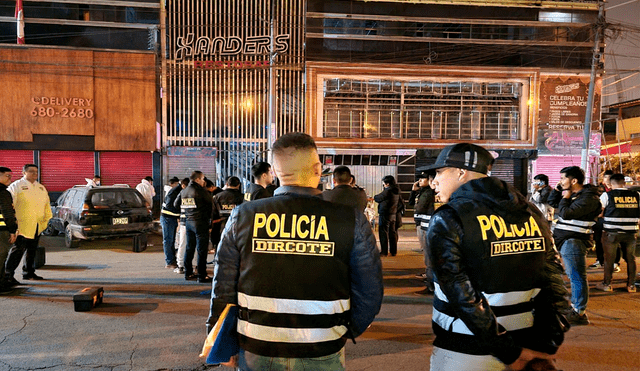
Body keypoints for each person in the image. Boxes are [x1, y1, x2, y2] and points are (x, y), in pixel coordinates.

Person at [207, 132, 383, 370]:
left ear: (276, 173)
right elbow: (369, 290)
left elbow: (224, 286)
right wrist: (343, 331)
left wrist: (220, 340)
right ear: (318, 169)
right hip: (322, 347)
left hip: (257, 347)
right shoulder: (349, 219)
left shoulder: (244, 216)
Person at [425, 143, 571, 371]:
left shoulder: (448, 217)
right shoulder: (530, 212)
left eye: (439, 172)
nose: (434, 181)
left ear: (461, 172)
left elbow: (459, 292)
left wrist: (509, 351)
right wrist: (547, 343)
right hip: (528, 346)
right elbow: (554, 279)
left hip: (465, 350)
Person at [547, 166, 601, 326]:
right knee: (573, 276)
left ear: (574, 181)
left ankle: (579, 311)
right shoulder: (579, 195)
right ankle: (575, 309)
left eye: (563, 178)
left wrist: (567, 194)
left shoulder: (589, 198)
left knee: (577, 277)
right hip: (566, 240)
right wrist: (558, 190)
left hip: (574, 241)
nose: (561, 181)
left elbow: (566, 213)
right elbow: (552, 202)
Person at [4, 164, 52, 282]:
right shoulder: (16, 186)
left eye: (36, 172)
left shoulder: (41, 188)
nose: (35, 174)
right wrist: (13, 224)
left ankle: (29, 272)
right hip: (22, 226)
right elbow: (9, 206)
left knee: (32, 250)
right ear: (24, 173)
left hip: (36, 225)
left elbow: (47, 205)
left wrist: (45, 220)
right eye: (31, 171)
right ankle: (8, 275)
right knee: (18, 251)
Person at [597, 173, 638, 293]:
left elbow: (599, 213)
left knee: (609, 259)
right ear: (624, 183)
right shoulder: (636, 195)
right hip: (631, 232)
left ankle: (607, 284)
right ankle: (631, 286)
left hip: (611, 232)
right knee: (631, 259)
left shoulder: (607, 195)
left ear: (610, 183)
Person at [175, 171, 213, 283]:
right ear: (197, 179)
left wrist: (188, 210)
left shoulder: (184, 191)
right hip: (200, 222)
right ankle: (202, 275)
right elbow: (211, 206)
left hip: (188, 222)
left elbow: (176, 204)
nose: (204, 181)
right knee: (202, 250)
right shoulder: (201, 191)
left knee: (189, 248)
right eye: (202, 179)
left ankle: (188, 273)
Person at [408, 170, 436, 293]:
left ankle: (430, 283)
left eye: (422, 179)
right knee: (427, 252)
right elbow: (410, 204)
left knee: (429, 253)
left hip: (426, 224)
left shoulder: (428, 192)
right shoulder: (422, 192)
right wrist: (414, 192)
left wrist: (417, 197)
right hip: (421, 223)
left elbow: (419, 207)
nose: (419, 181)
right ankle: (428, 277)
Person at [591, 170, 621, 270]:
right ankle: (600, 260)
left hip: (613, 220)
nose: (607, 180)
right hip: (600, 220)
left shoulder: (617, 191)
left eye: (609, 178)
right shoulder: (598, 190)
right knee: (599, 240)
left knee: (614, 241)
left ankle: (615, 262)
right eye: (605, 178)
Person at [211, 176, 244, 251]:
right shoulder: (243, 197)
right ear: (238, 185)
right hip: (238, 226)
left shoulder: (217, 196)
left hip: (219, 227)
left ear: (226, 184)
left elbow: (213, 213)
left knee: (219, 248)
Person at [0, 167, 18, 294]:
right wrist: (13, 230)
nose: (10, 179)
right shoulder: (3, 193)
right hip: (1, 231)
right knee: (1, 258)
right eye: (7, 176)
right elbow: (7, 213)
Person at [374, 175, 400, 256]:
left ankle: (384, 251)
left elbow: (377, 198)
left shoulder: (388, 191)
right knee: (392, 233)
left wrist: (376, 195)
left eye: (384, 183)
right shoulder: (396, 191)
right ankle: (393, 251)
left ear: (387, 184)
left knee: (383, 233)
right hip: (393, 214)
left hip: (385, 214)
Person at [160, 177, 182, 269]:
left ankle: (172, 260)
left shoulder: (177, 191)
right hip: (167, 218)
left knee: (172, 240)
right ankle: (169, 261)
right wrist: (179, 213)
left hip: (171, 218)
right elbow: (169, 206)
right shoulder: (174, 192)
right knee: (168, 240)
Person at [173, 177, 190, 274]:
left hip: (184, 221)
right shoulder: (197, 192)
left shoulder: (182, 193)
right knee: (193, 244)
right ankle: (194, 265)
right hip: (194, 221)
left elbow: (175, 204)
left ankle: (180, 266)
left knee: (182, 243)